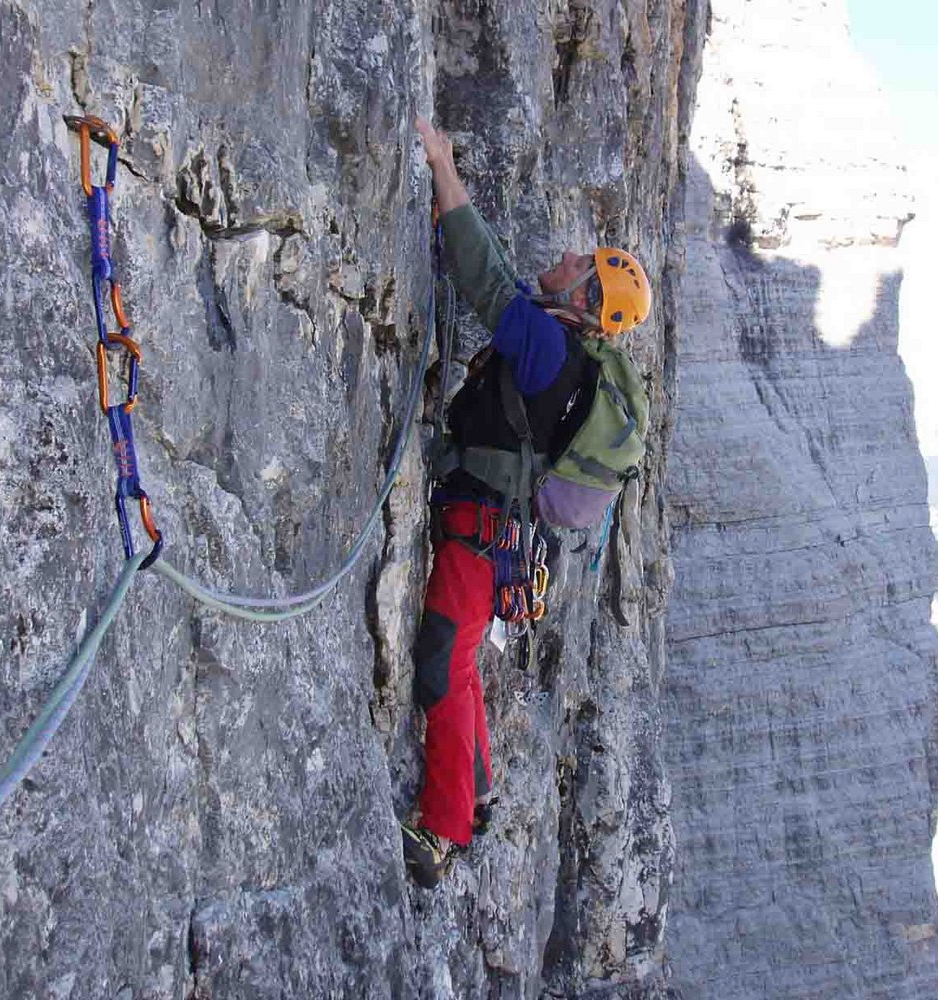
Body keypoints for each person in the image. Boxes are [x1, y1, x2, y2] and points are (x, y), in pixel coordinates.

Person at [402, 117, 652, 889]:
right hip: (493, 531)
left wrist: (442, 165)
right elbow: (505, 280)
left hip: (479, 530)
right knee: (461, 660)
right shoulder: (558, 346)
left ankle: (442, 832)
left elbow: (486, 280)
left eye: (583, 264)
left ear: (585, 297)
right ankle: (474, 789)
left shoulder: (552, 350)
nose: (569, 256)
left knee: (442, 662)